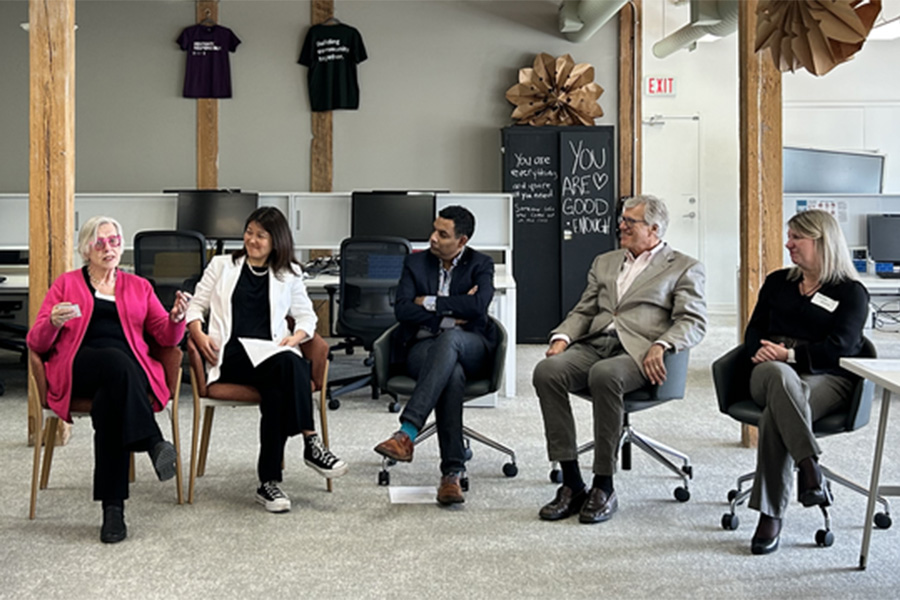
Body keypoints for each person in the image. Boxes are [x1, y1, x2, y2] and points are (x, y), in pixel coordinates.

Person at [533, 194, 706, 524]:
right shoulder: (605, 261)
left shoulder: (684, 267)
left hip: (640, 351)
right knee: (547, 371)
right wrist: (562, 337)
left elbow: (693, 321)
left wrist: (663, 345)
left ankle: (604, 484)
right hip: (596, 342)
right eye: (622, 220)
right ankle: (571, 483)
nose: (621, 226)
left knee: (605, 375)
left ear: (654, 229)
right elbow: (585, 309)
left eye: (630, 222)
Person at [27, 216, 190, 544]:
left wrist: (177, 318)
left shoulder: (139, 287)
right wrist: (54, 323)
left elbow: (166, 337)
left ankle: (113, 510)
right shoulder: (66, 284)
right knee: (114, 360)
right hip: (80, 368)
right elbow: (36, 342)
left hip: (125, 378)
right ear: (85, 249)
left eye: (114, 241)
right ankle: (152, 440)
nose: (108, 248)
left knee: (109, 407)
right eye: (99, 242)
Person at [186, 206, 347, 514]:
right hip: (231, 356)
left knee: (277, 388)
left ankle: (268, 483)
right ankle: (311, 442)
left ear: (277, 241)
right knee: (289, 365)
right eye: (249, 232)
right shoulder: (221, 265)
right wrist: (198, 334)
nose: (252, 240)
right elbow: (195, 307)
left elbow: (307, 318)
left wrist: (296, 338)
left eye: (261, 235)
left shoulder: (289, 273)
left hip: (270, 357)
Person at [742, 209, 868, 555]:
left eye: (797, 237)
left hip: (826, 377)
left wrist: (791, 356)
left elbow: (842, 347)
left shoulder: (850, 292)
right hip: (767, 372)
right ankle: (808, 466)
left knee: (774, 416)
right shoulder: (777, 282)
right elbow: (753, 331)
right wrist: (763, 353)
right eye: (789, 236)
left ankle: (770, 514)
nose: (788, 244)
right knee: (779, 378)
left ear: (822, 241)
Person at [373, 205, 498, 505]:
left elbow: (478, 307)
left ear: (462, 241)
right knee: (450, 374)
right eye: (434, 230)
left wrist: (428, 303)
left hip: (471, 345)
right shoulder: (415, 264)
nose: (432, 238)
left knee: (453, 341)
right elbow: (403, 308)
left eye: (443, 234)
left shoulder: (481, 264)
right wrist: (452, 309)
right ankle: (451, 475)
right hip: (423, 347)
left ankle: (407, 432)